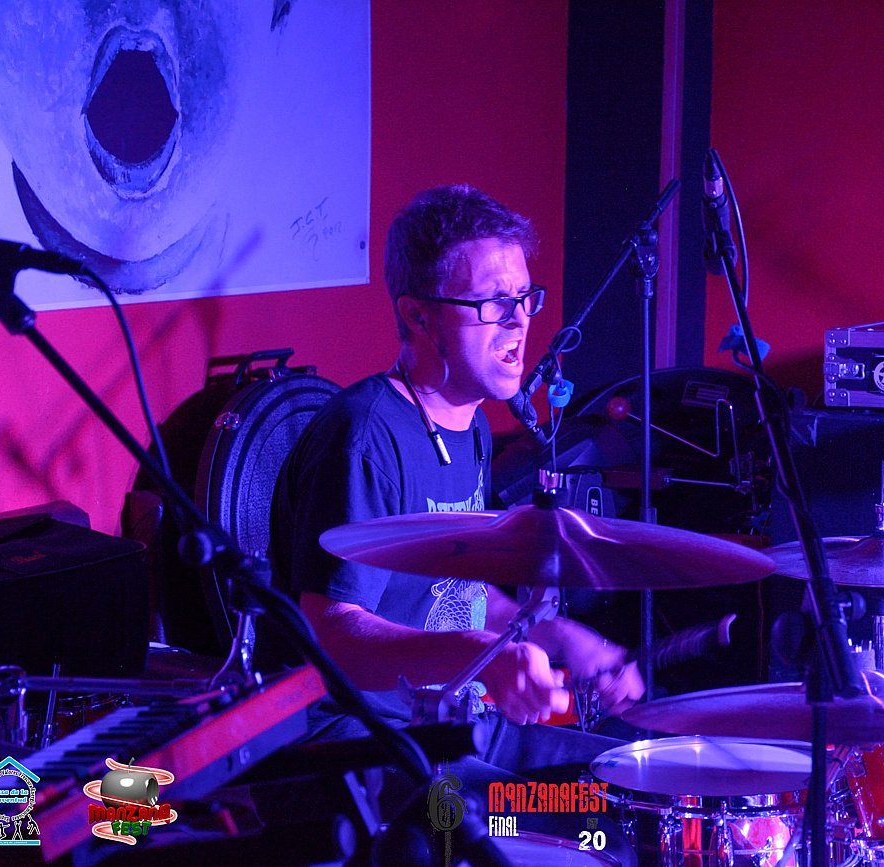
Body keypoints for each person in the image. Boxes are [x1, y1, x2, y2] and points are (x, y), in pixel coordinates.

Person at [270, 184, 644, 859]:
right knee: (558, 825)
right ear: (417, 315)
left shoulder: (468, 428)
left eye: (524, 298)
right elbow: (332, 634)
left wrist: (560, 636)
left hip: (456, 723)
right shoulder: (365, 438)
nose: (519, 322)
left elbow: (451, 596)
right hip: (369, 748)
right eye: (491, 303)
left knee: (631, 783)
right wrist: (485, 657)